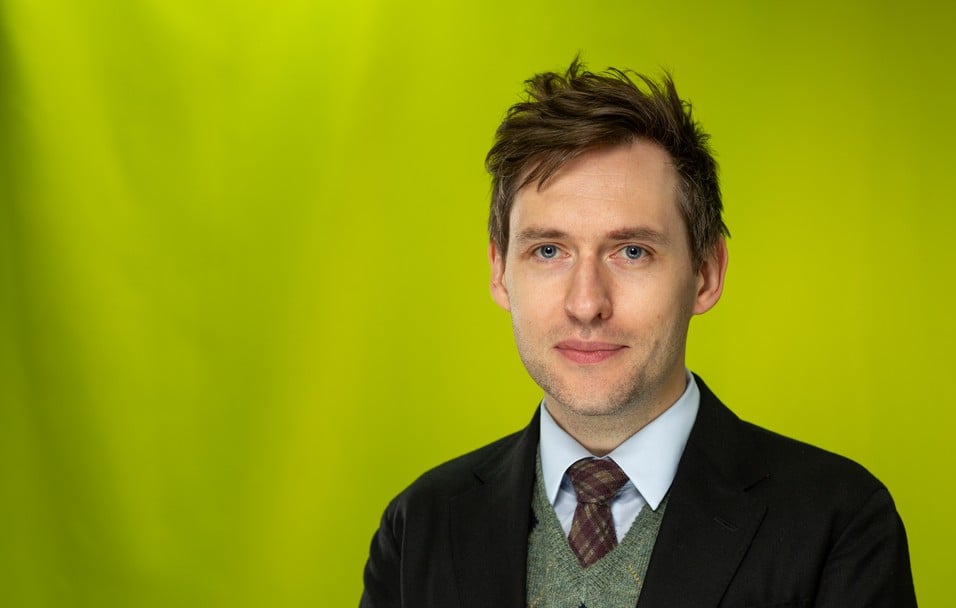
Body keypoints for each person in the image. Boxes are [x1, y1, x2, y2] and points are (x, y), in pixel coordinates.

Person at [360, 60, 916, 608]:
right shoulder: (418, 528)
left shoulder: (839, 525)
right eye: (548, 250)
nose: (586, 304)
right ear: (500, 272)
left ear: (706, 273)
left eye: (632, 252)